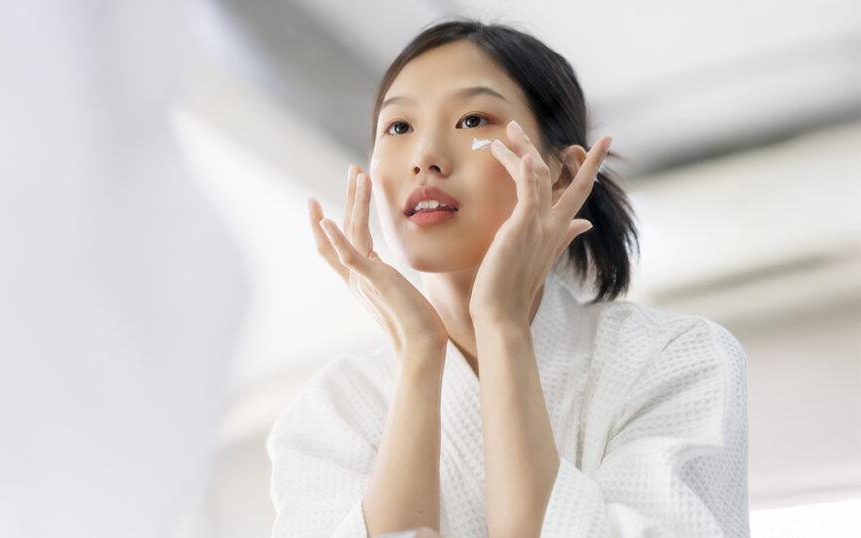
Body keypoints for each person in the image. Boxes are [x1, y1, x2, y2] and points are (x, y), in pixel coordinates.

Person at [267, 19, 749, 538]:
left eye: (473, 120)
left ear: (561, 175)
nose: (425, 157)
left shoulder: (676, 359)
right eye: (399, 128)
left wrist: (502, 325)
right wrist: (419, 354)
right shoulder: (335, 409)